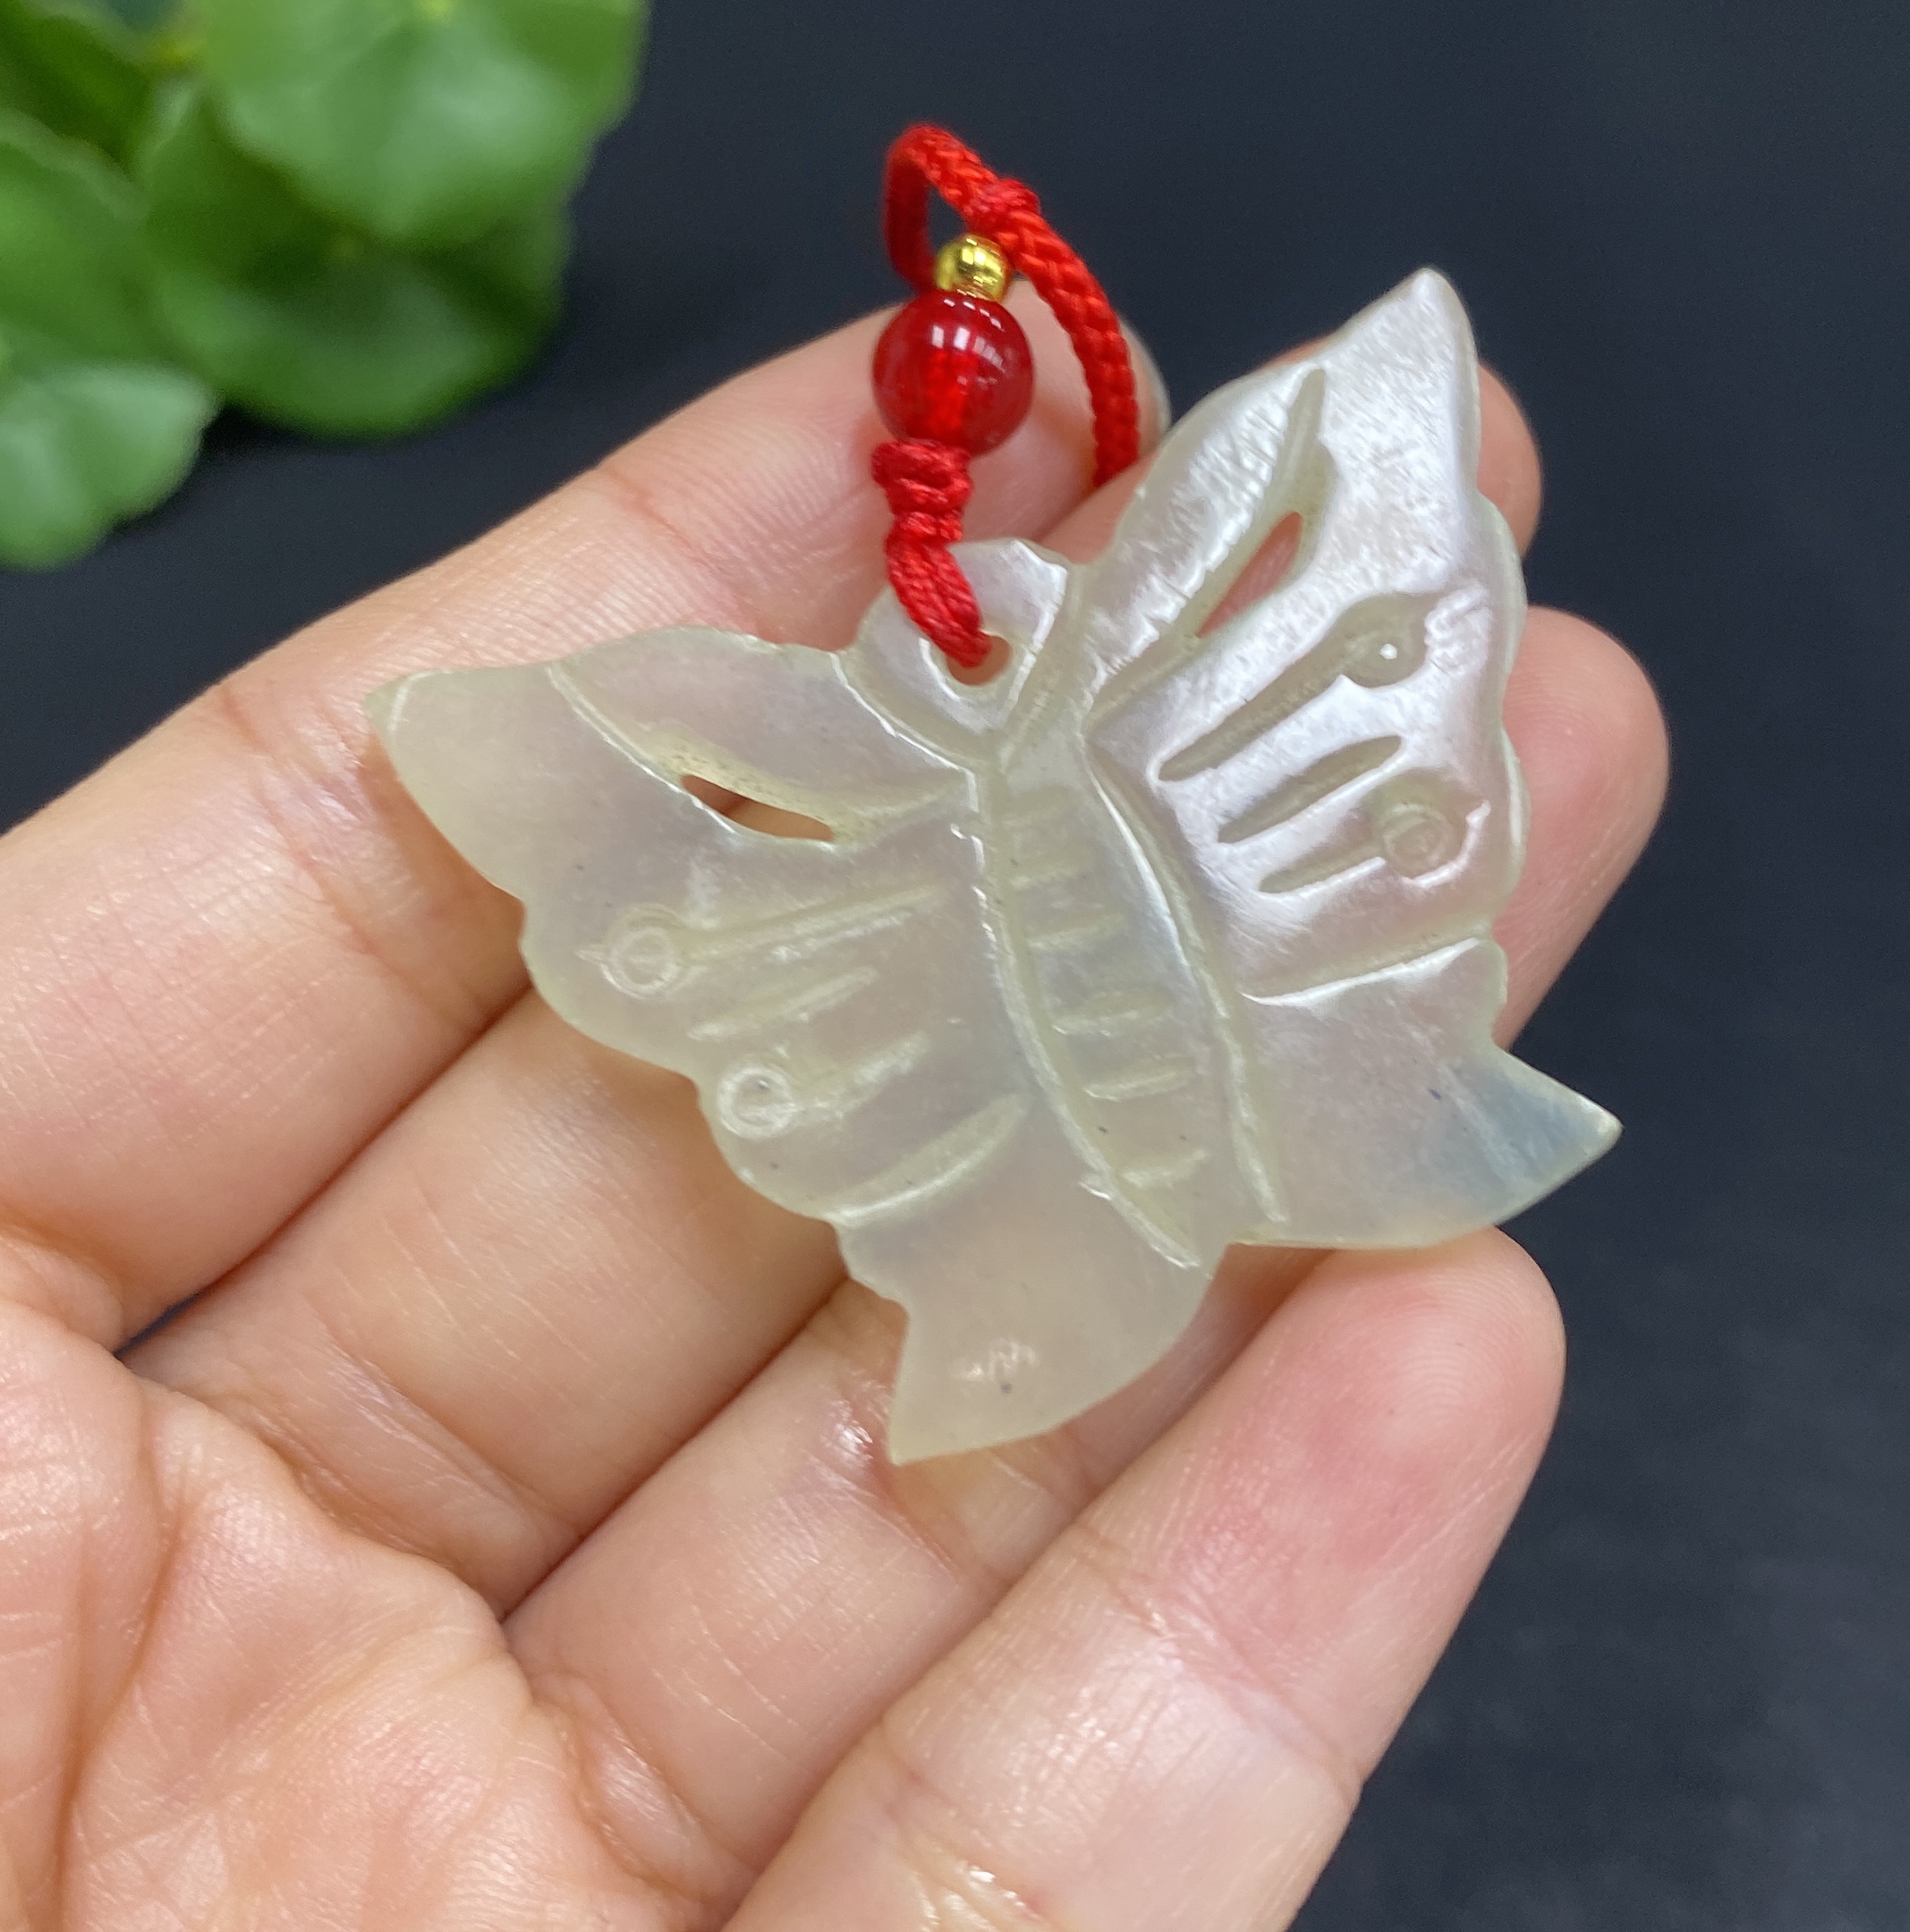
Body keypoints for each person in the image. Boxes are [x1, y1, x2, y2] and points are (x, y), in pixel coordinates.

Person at [0, 289, 1665, 1929]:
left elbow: (1363, 433)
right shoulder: (914, 712)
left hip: (1136, 1026)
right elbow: (531, 741)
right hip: (1232, 1034)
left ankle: (1139, 1234)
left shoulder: (862, 728)